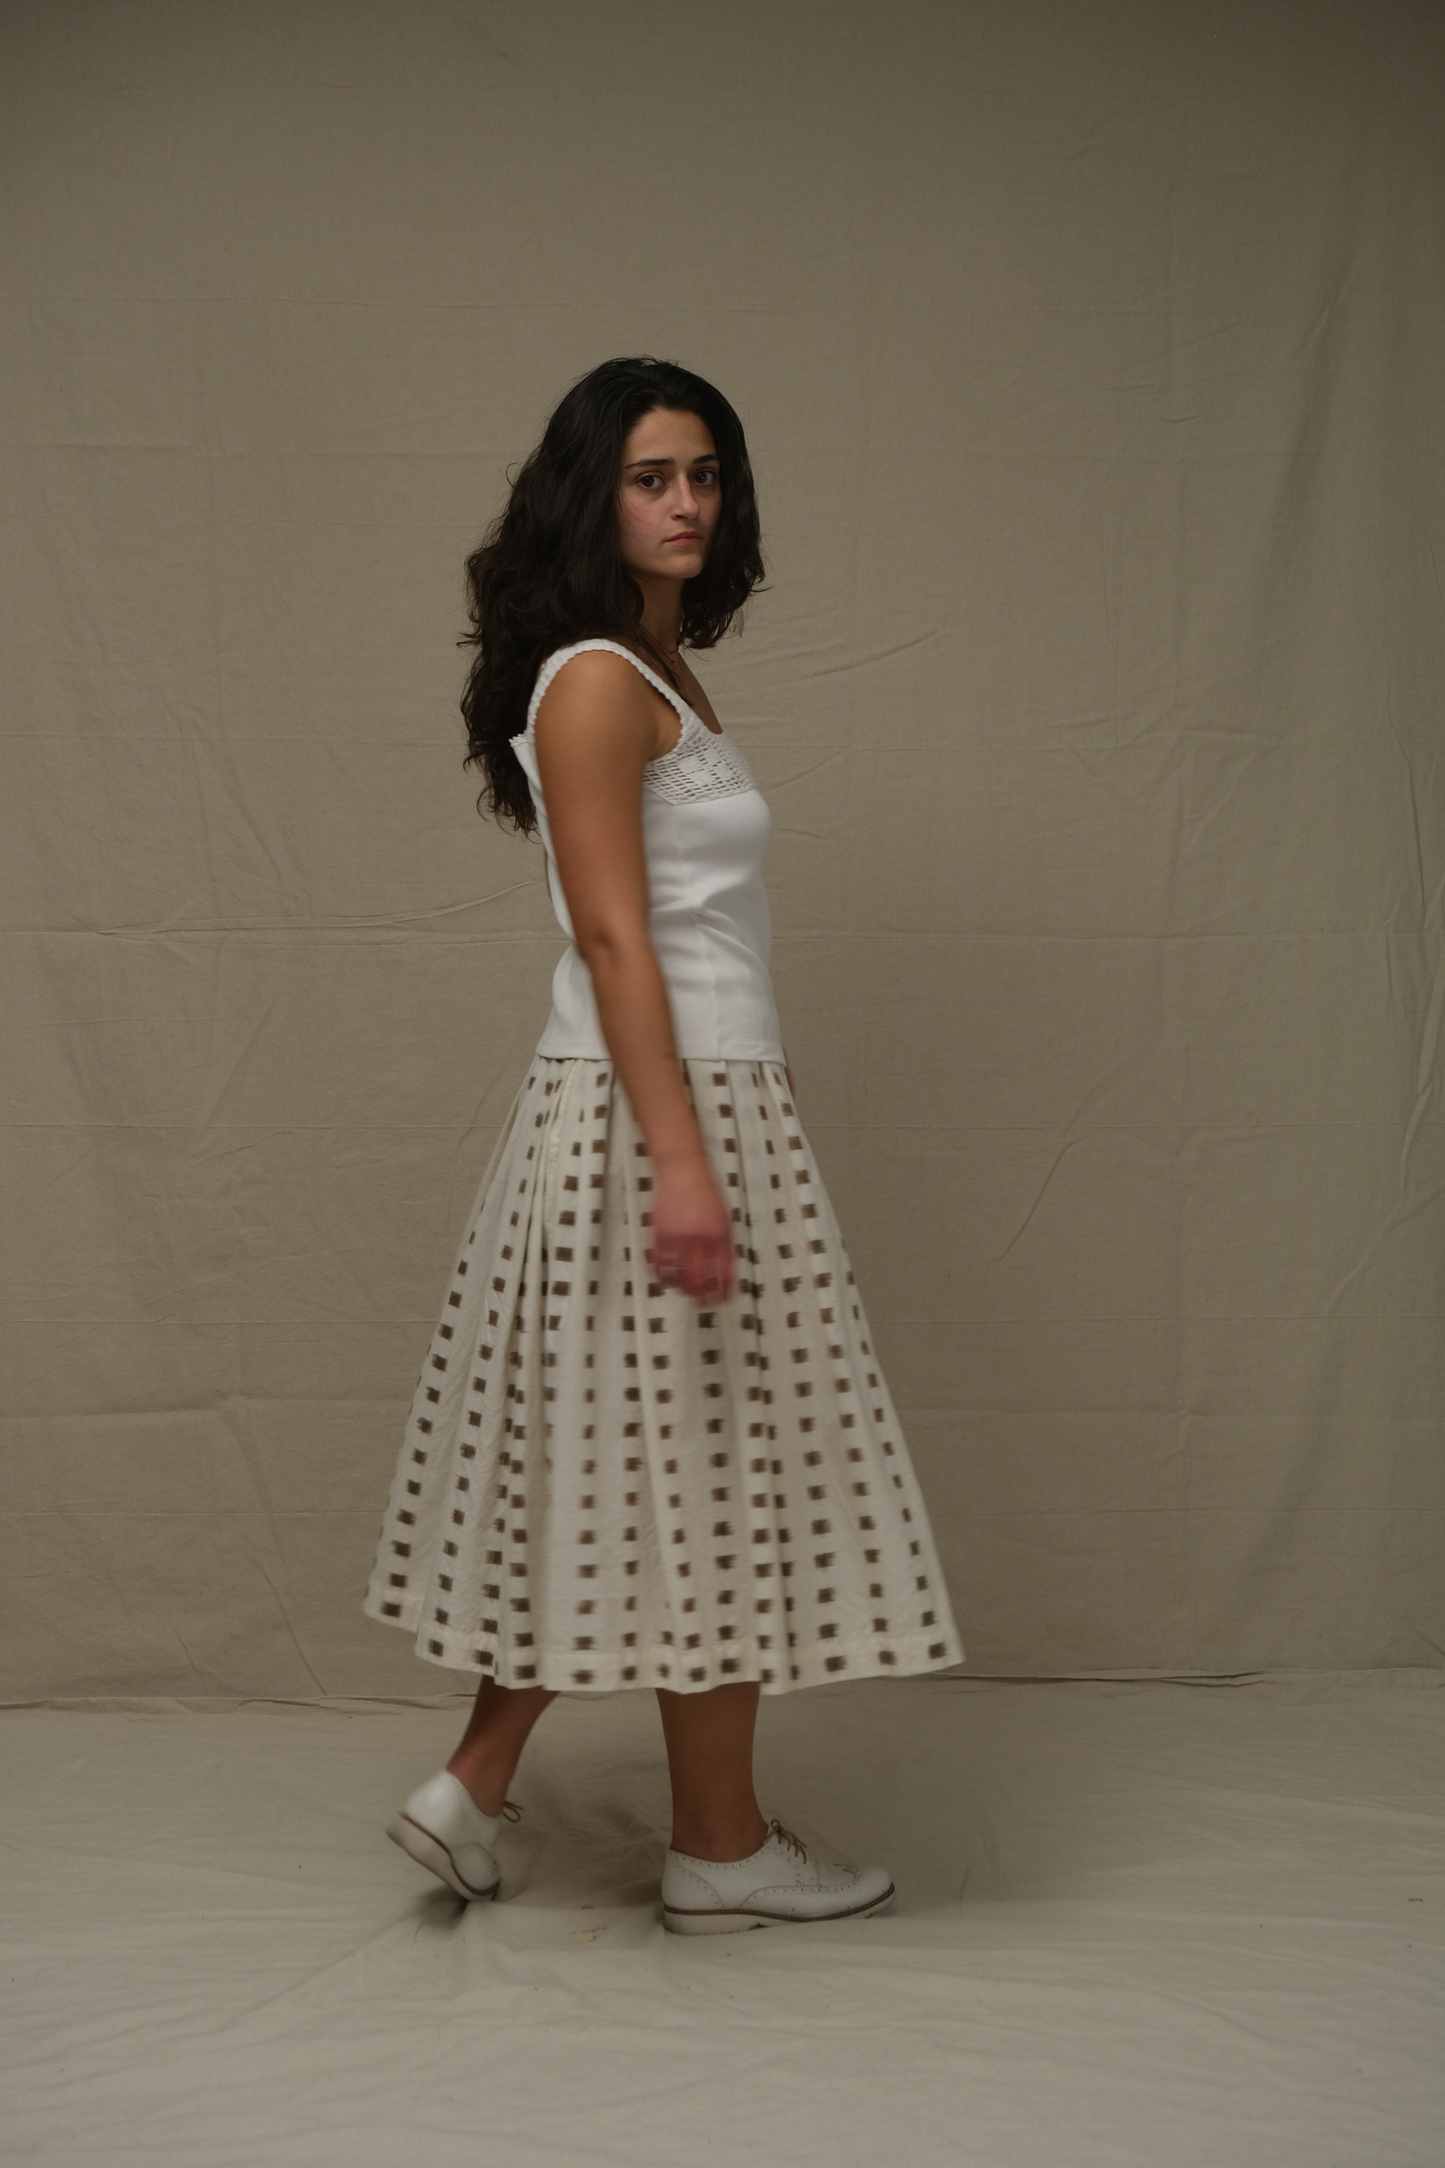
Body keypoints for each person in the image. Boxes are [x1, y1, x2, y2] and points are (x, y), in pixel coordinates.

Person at [364, 357, 962, 1933]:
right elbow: (620, 944)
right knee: (718, 1473)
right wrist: (685, 1163)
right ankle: (717, 1845)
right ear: (591, 495)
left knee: (652, 1474)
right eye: (652, 477)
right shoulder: (594, 683)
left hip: (696, 1103)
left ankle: (489, 1790)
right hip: (657, 1115)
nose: (687, 503)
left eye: (703, 473)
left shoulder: (656, 673)